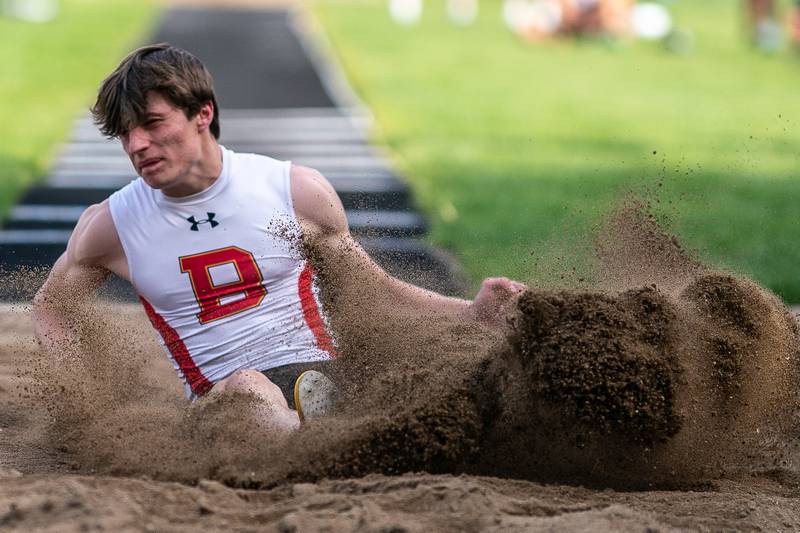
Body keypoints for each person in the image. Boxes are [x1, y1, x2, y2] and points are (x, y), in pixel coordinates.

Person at [32, 44, 526, 433]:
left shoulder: (293, 191)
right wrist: (83, 402)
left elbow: (373, 291)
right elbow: (51, 308)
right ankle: (321, 442)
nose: (137, 145)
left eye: (152, 124)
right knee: (249, 389)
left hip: (318, 377)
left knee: (439, 385)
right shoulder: (112, 226)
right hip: (223, 405)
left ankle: (329, 427)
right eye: (125, 133)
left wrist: (472, 313)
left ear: (202, 114)